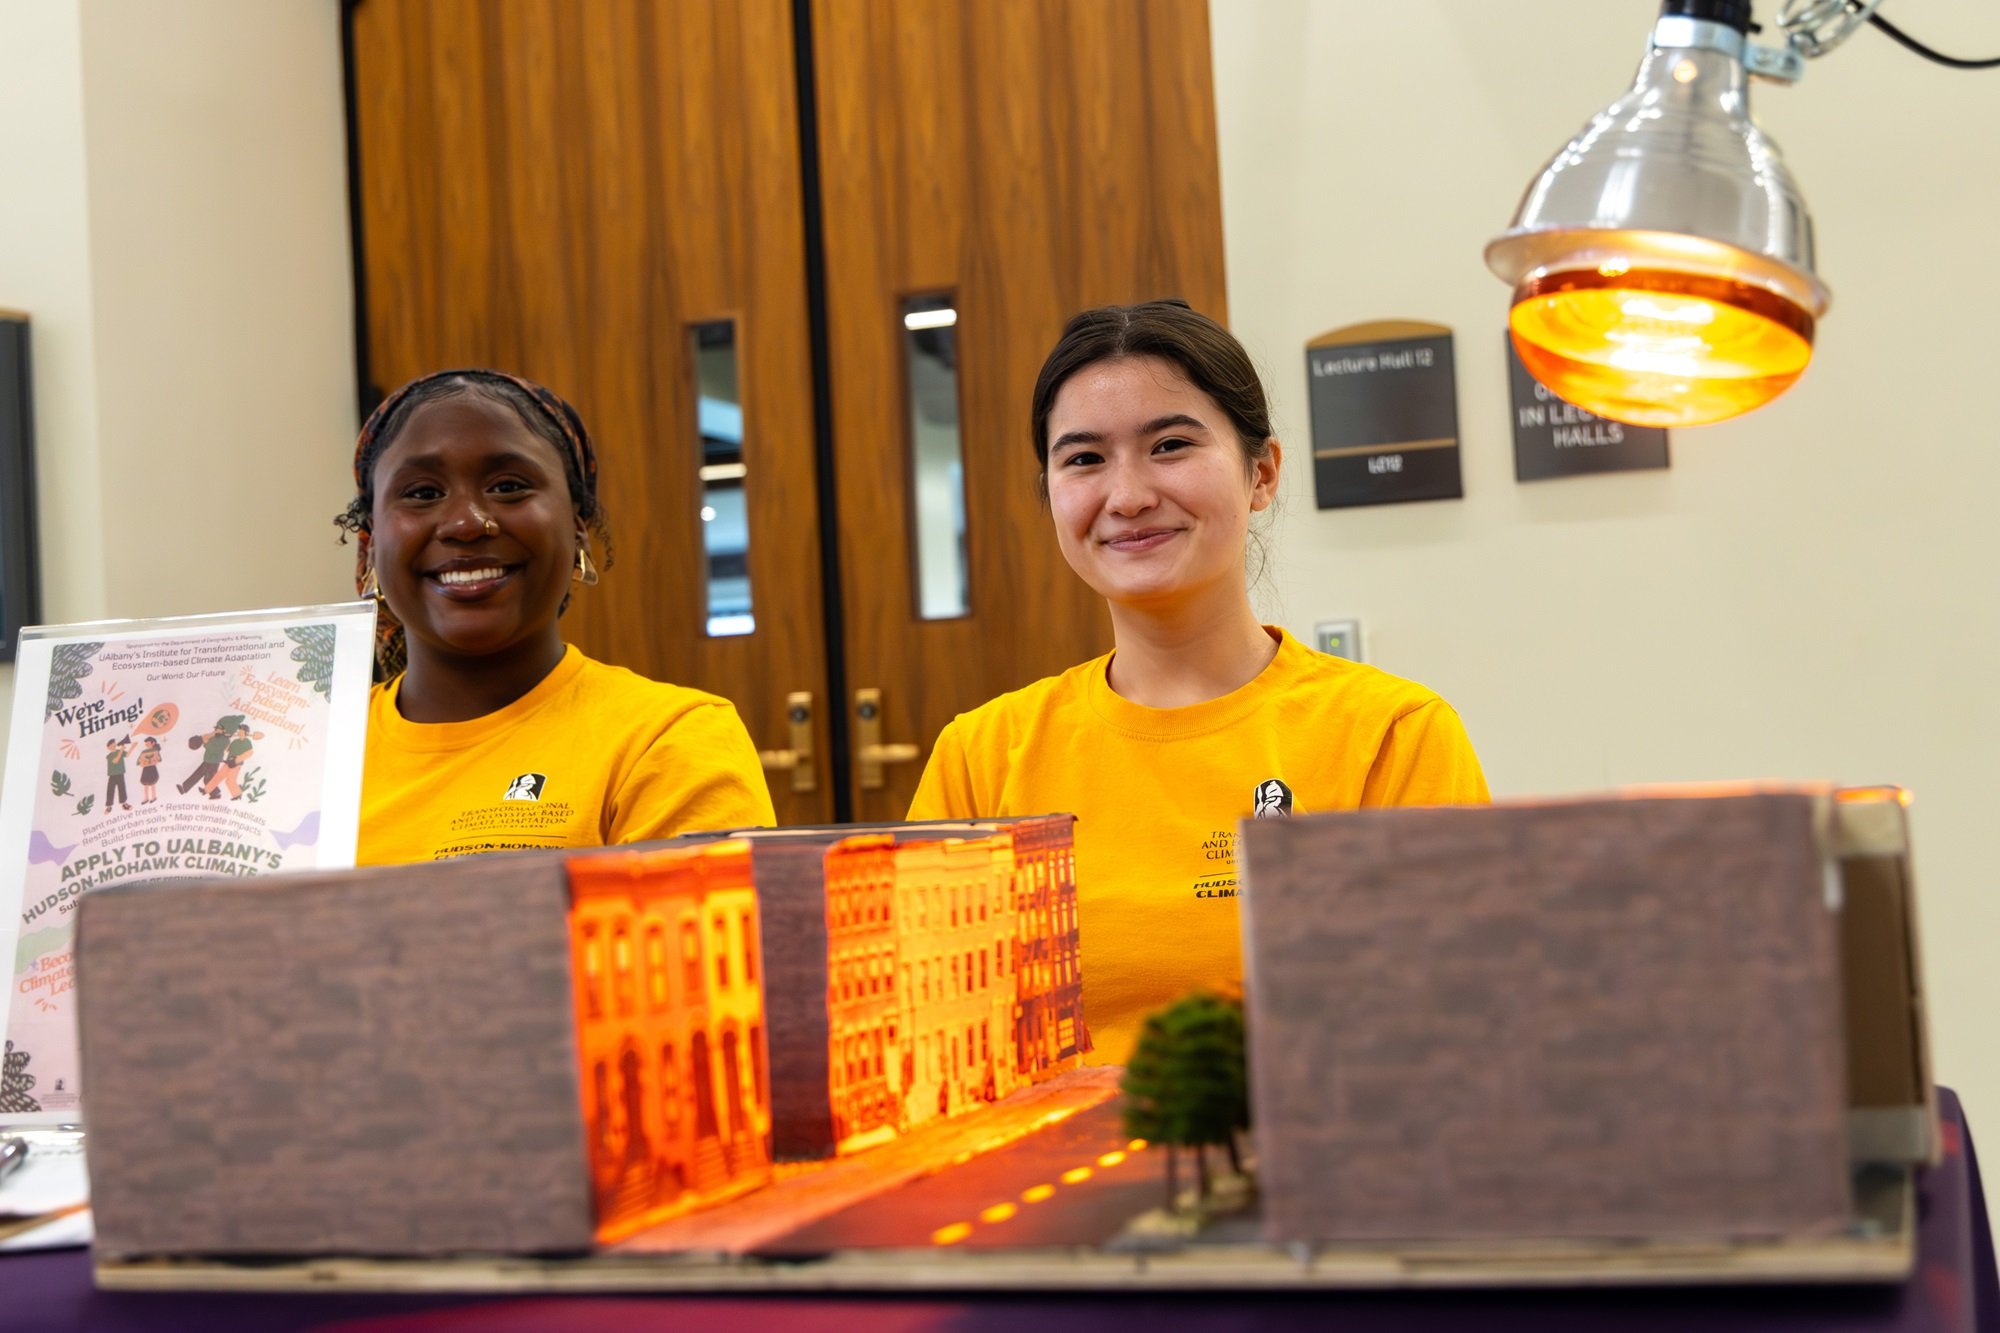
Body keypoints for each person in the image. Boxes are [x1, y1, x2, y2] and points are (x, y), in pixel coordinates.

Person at [907, 301, 1489, 1064]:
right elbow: (930, 1045)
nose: (1128, 495)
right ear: (1049, 491)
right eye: (1084, 459)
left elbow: (1452, 1036)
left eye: (1171, 445)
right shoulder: (981, 757)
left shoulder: (1391, 735)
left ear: (1262, 473)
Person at [336, 368, 774, 864]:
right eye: (422, 493)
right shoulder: (302, 754)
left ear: (578, 531)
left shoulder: (667, 741)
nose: (466, 523)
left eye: (508, 486)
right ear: (370, 547)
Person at [135, 737, 163, 804]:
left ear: (153, 743)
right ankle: (146, 798)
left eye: (148, 743)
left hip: (152, 768)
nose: (146, 744)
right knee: (145, 783)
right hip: (146, 769)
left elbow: (159, 759)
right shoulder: (144, 752)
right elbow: (138, 761)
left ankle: (153, 797)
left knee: (152, 783)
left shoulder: (155, 751)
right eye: (146, 743)